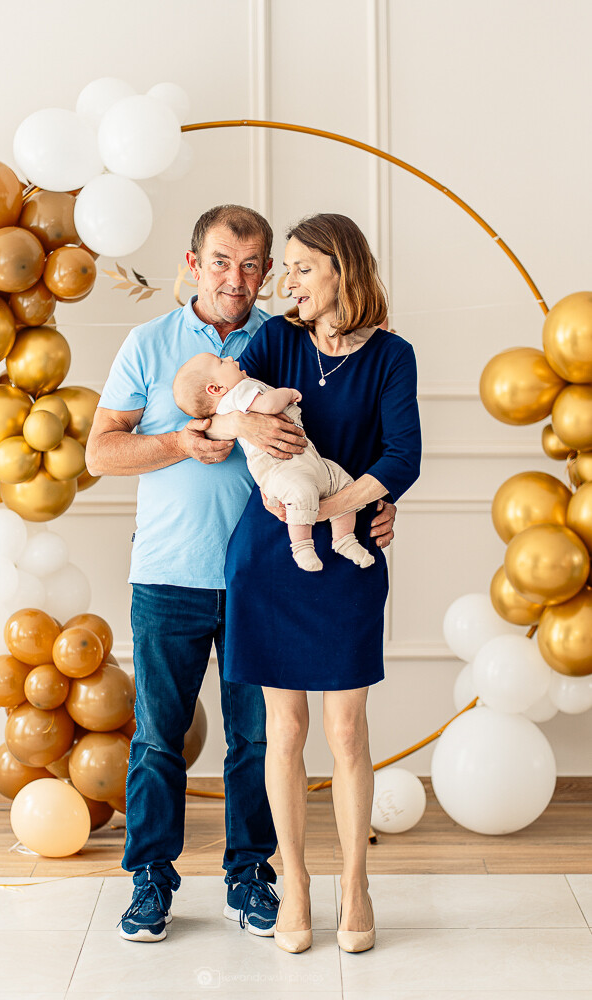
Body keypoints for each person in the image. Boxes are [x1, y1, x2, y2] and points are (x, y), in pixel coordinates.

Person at [85, 205, 398, 944]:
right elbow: (100, 452)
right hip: (168, 570)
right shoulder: (149, 342)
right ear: (193, 264)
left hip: (262, 579)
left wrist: (375, 505)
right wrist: (185, 440)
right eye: (223, 261)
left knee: (257, 742)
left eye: (254, 264)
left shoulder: (281, 339)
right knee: (157, 737)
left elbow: (341, 433)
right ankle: (150, 878)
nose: (238, 277)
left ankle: (251, 875)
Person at [212, 213, 421, 954]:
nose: (287, 280)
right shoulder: (273, 339)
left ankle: (355, 882)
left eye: (302, 267)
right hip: (269, 556)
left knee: (346, 730)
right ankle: (295, 882)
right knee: (285, 730)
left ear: (341, 270)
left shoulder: (392, 356)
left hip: (348, 552)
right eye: (288, 268)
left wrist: (337, 508)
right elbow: (213, 410)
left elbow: (402, 456)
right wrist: (244, 428)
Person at [173, 352, 374, 571]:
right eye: (221, 362)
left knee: (341, 482)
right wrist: (287, 393)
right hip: (280, 466)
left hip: (307, 460)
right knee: (302, 493)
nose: (230, 358)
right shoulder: (238, 393)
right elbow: (269, 405)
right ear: (216, 389)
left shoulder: (235, 397)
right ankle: (303, 547)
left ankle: (345, 540)